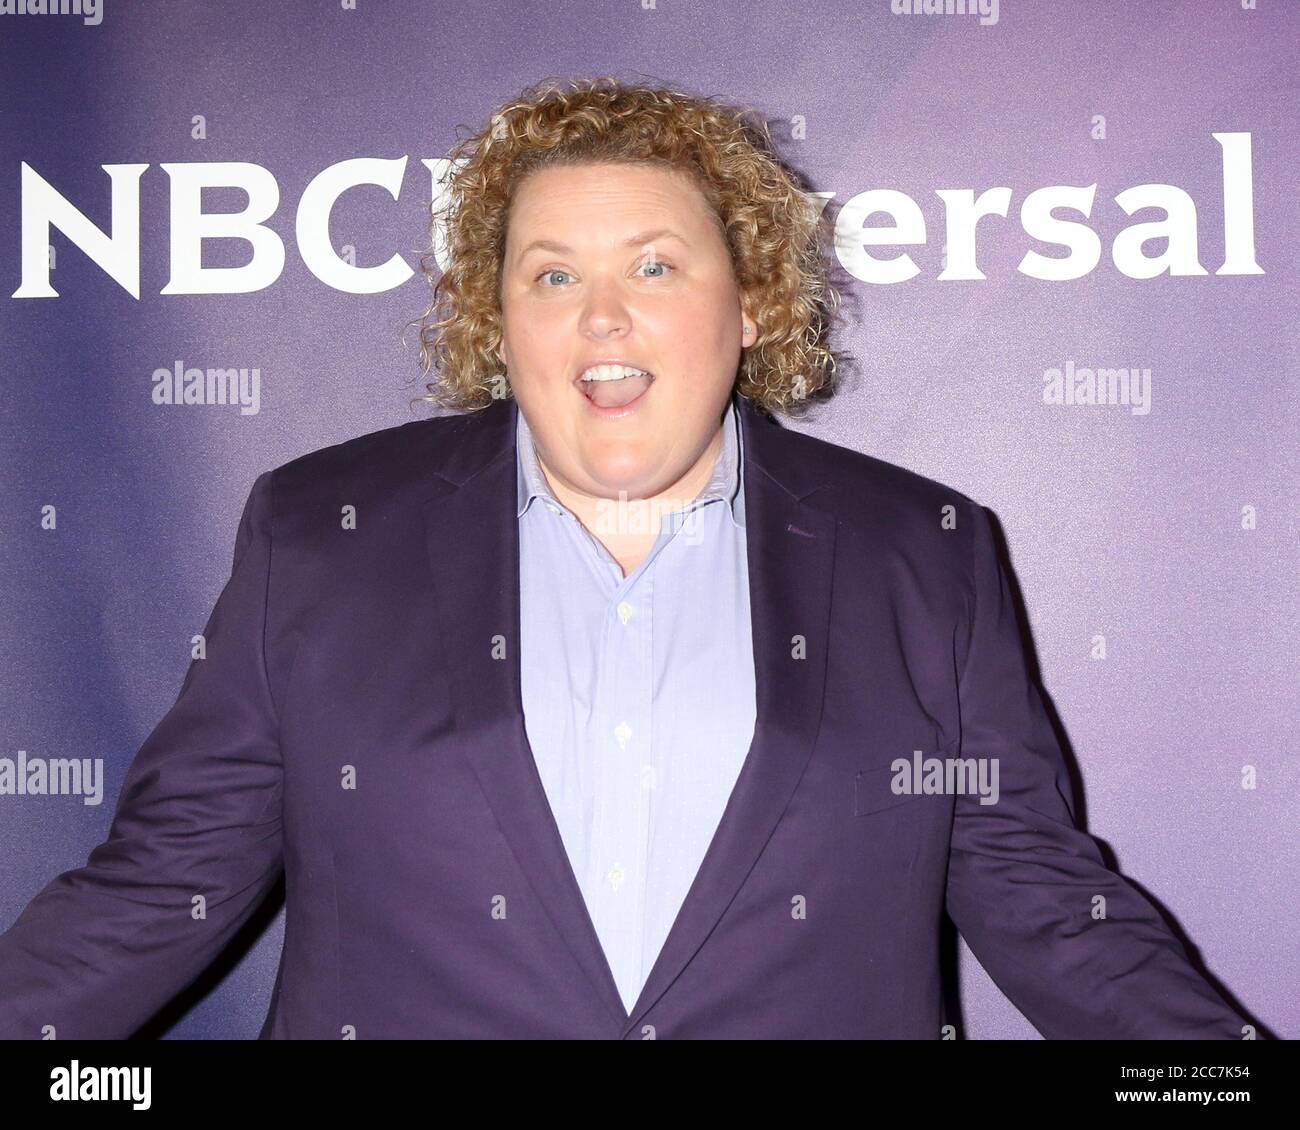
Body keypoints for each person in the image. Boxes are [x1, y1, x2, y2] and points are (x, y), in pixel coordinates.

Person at [0, 76, 1250, 1039]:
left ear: (751, 303)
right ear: (498, 321)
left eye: (655, 264)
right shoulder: (322, 533)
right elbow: (156, 890)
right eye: (552, 275)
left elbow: (1044, 906)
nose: (604, 314)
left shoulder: (922, 553)